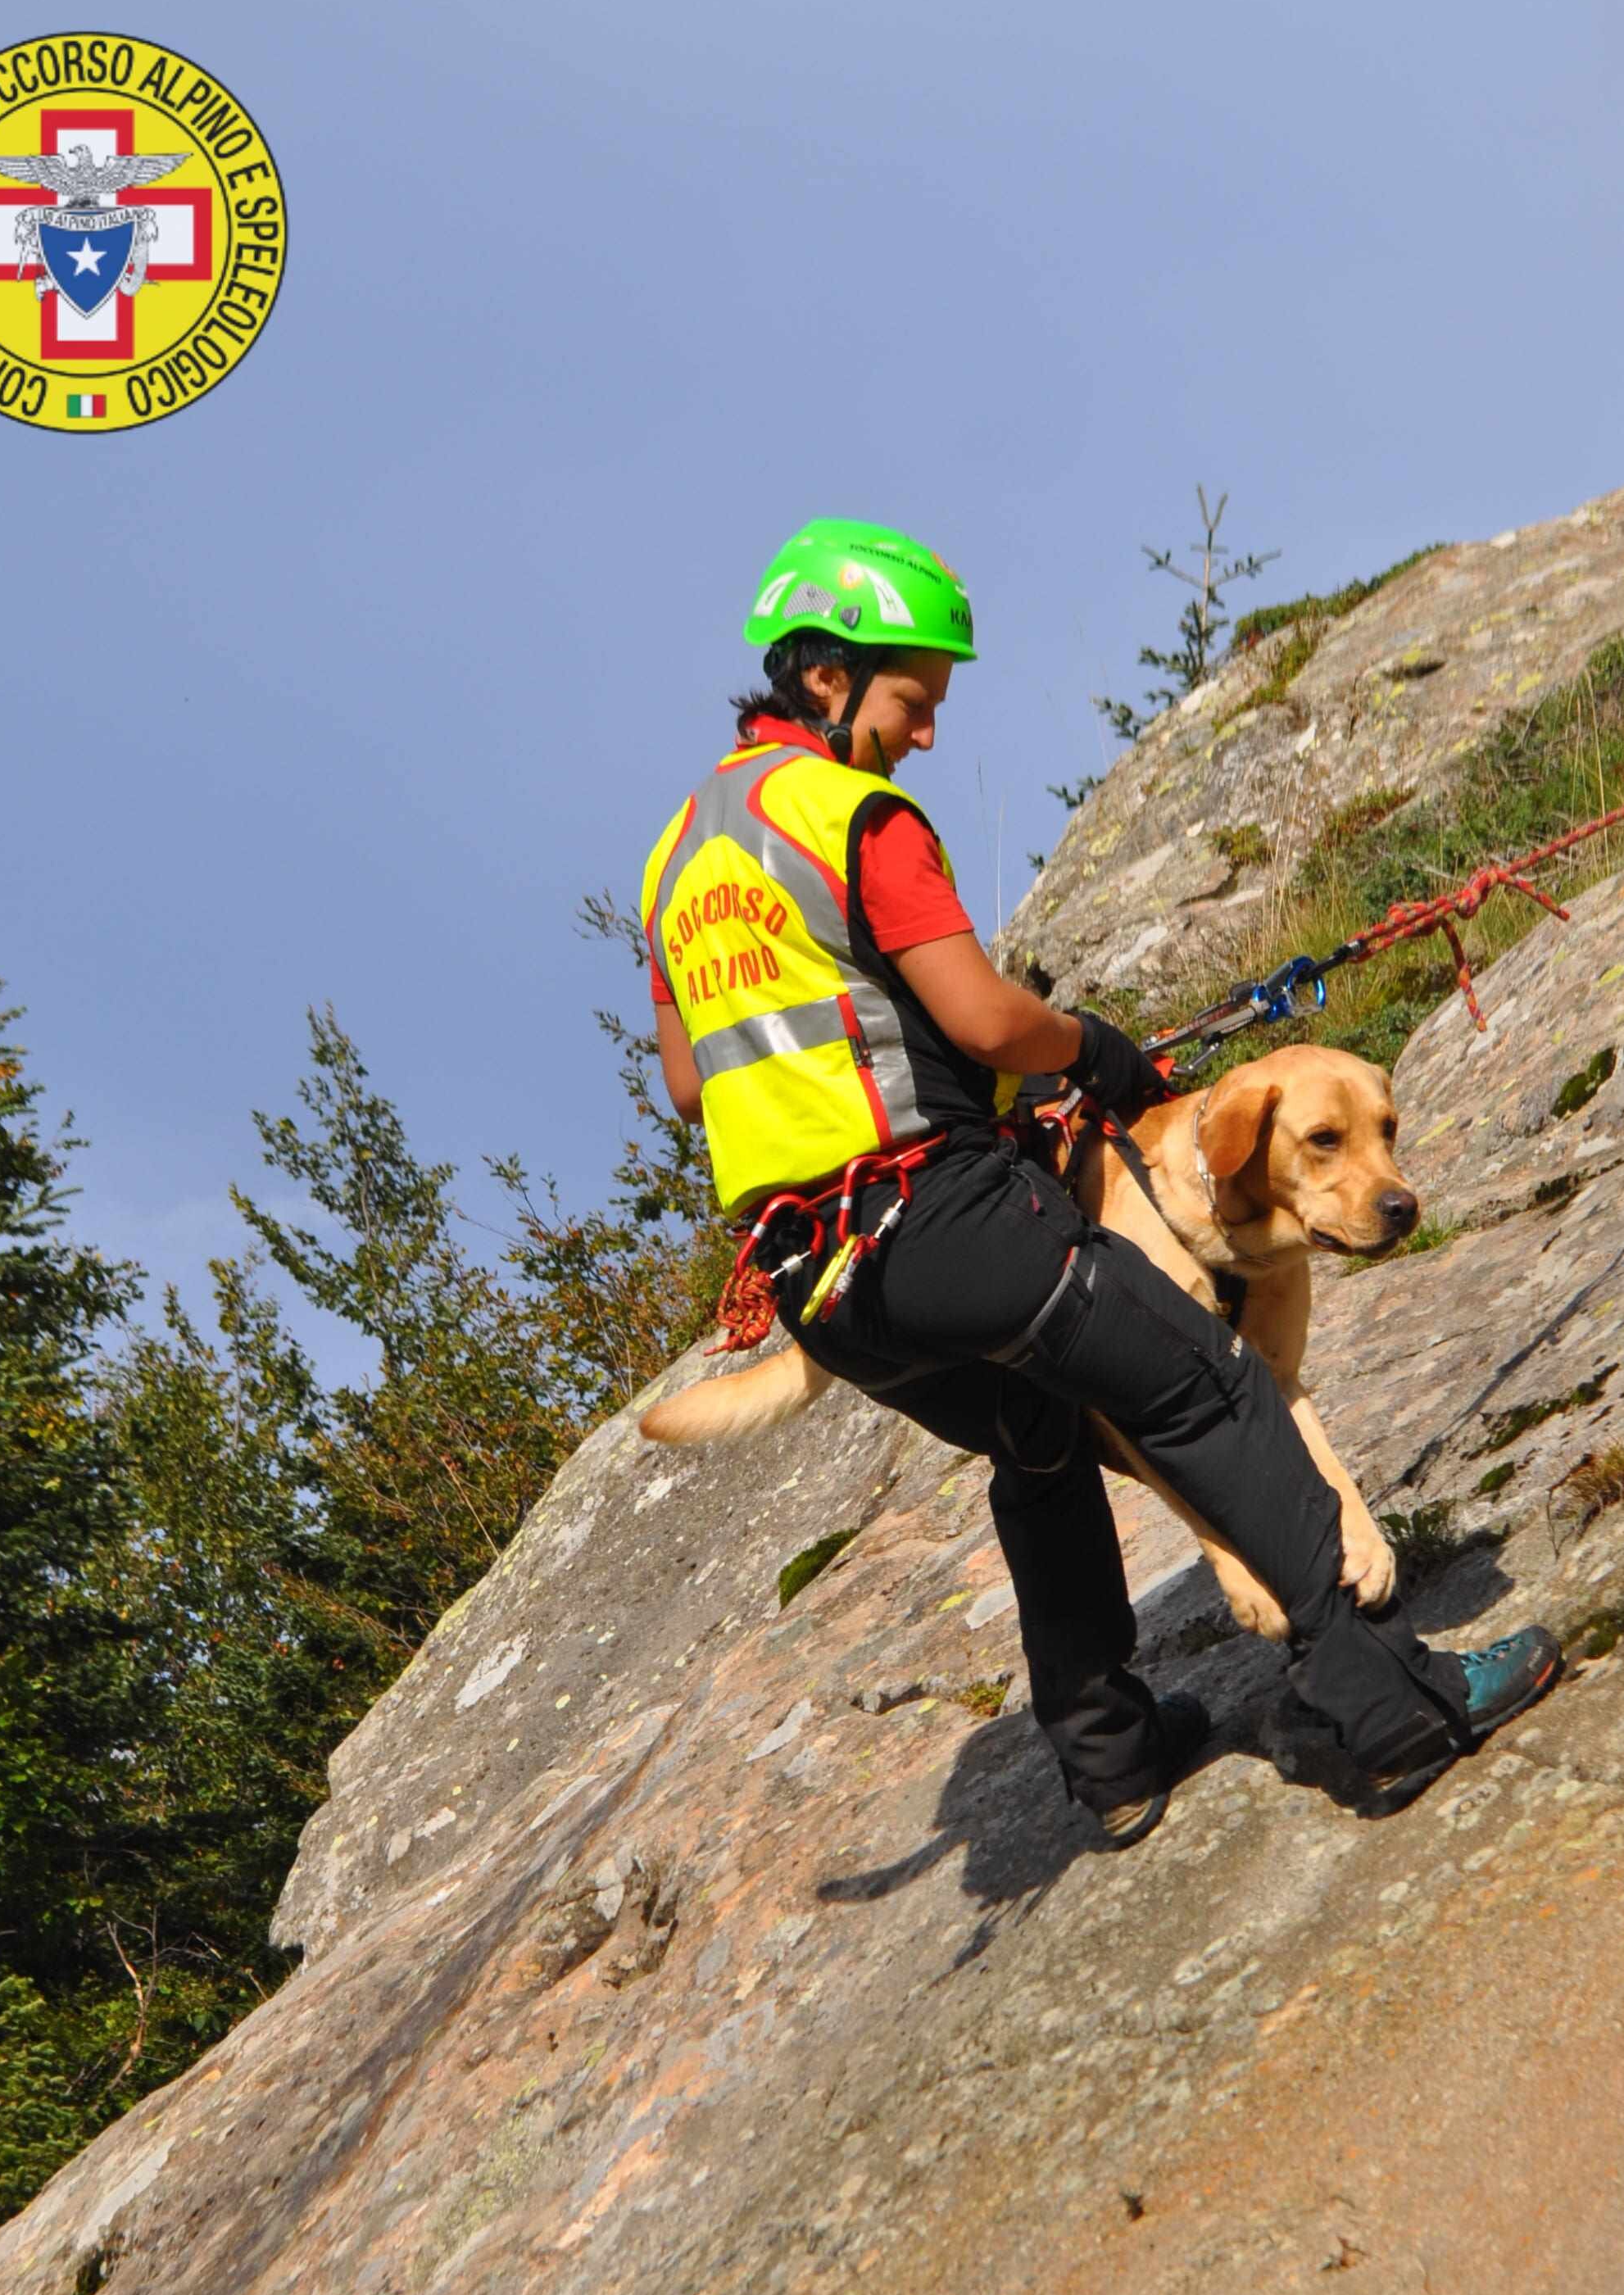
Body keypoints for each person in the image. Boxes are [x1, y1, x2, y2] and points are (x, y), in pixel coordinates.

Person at [643, 517, 1559, 1846]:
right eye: (913, 699)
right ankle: (1393, 1706)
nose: (926, 735)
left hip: (818, 1280)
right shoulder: (854, 817)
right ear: (827, 679)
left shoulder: (679, 858)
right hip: (940, 1213)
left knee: (1041, 1435)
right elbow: (987, 1024)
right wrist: (1098, 1052)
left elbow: (691, 1084)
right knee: (1203, 1382)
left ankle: (1116, 1759)